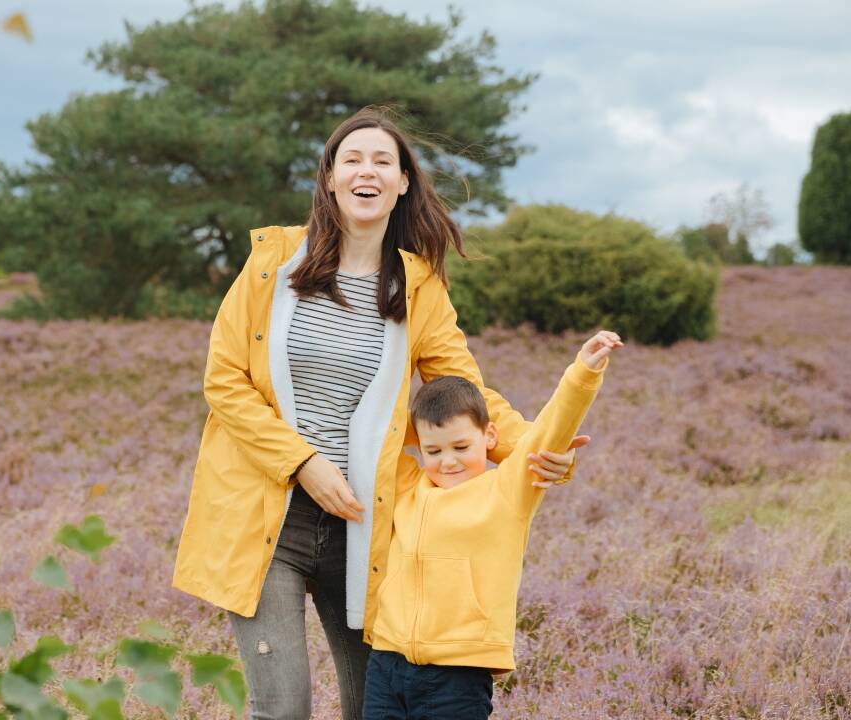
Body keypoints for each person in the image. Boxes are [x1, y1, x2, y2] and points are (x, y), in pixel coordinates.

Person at [171, 107, 586, 720]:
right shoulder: (272, 264)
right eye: (353, 159)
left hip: (365, 523)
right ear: (331, 179)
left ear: (401, 185)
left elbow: (461, 387)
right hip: (265, 515)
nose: (367, 171)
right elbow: (225, 380)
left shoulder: (417, 285)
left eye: (382, 162)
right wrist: (304, 463)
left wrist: (532, 447)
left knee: (371, 706)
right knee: (281, 707)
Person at [363, 330, 621, 719]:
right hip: (386, 664)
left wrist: (582, 372)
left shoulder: (506, 491)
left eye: (461, 447)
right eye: (433, 450)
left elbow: (548, 433)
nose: (447, 461)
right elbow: (377, 427)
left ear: (489, 436)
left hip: (457, 674)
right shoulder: (407, 485)